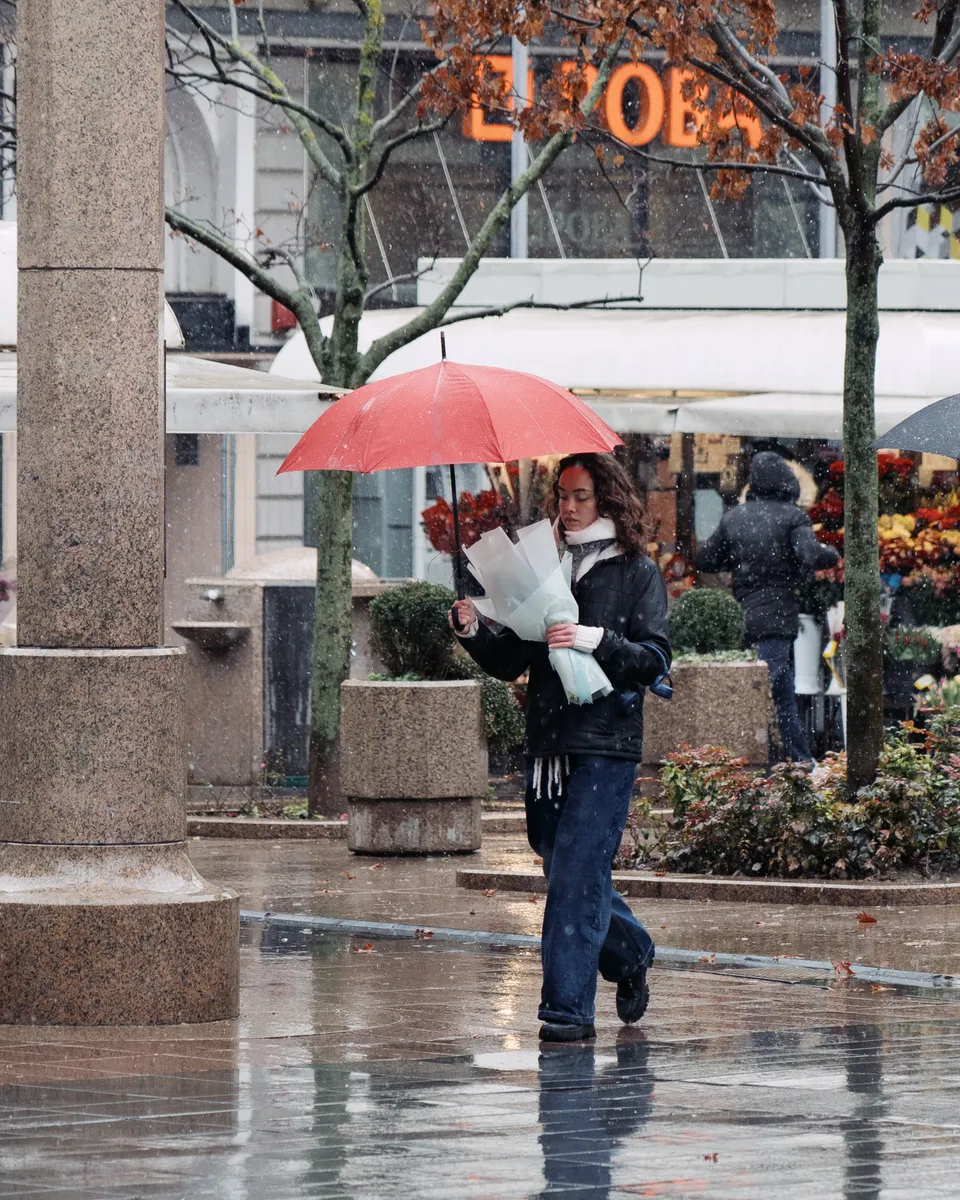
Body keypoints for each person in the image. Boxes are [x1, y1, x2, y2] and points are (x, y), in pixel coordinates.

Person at [450, 453, 671, 1044]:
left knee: (575, 874)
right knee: (562, 865)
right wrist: (473, 630)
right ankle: (629, 953)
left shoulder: (635, 572)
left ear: (608, 502)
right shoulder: (547, 569)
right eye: (564, 498)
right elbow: (513, 662)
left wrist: (594, 638)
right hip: (549, 744)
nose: (569, 509)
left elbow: (653, 660)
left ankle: (565, 1013)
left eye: (581, 497)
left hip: (606, 743)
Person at [695, 450, 840, 763]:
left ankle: (785, 756)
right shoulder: (792, 516)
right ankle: (792, 759)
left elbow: (705, 559)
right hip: (777, 615)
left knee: (766, 689)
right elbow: (810, 555)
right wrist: (832, 553)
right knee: (777, 691)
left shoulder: (734, 516)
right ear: (787, 481)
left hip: (742, 616)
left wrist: (737, 557)